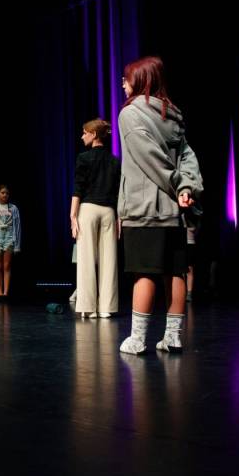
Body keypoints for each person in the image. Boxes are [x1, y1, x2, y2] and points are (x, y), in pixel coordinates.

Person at [116, 56, 203, 354]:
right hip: (174, 211)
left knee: (145, 270)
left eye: (127, 78)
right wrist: (186, 187)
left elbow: (150, 157)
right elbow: (188, 157)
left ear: (141, 79)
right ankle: (173, 337)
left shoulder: (130, 114)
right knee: (174, 271)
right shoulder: (172, 114)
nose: (123, 84)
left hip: (145, 208)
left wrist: (179, 185)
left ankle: (138, 339)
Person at [70, 118, 120, 318]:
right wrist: (119, 218)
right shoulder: (115, 161)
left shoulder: (84, 158)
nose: (82, 136)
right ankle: (107, 308)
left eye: (85, 132)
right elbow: (118, 193)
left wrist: (73, 215)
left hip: (89, 209)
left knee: (86, 259)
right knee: (109, 260)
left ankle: (88, 307)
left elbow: (78, 188)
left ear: (94, 134)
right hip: (109, 212)